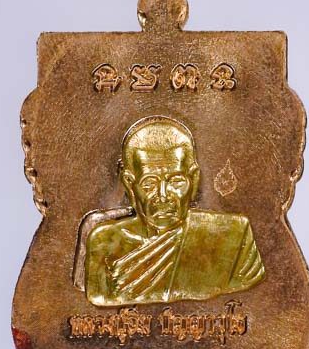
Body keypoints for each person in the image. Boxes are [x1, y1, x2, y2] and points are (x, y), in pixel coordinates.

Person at [85, 116, 264, 306]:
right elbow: (94, 305)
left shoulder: (233, 236)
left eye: (176, 181)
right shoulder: (105, 242)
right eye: (149, 183)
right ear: (130, 183)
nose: (163, 196)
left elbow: (252, 303)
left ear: (194, 179)